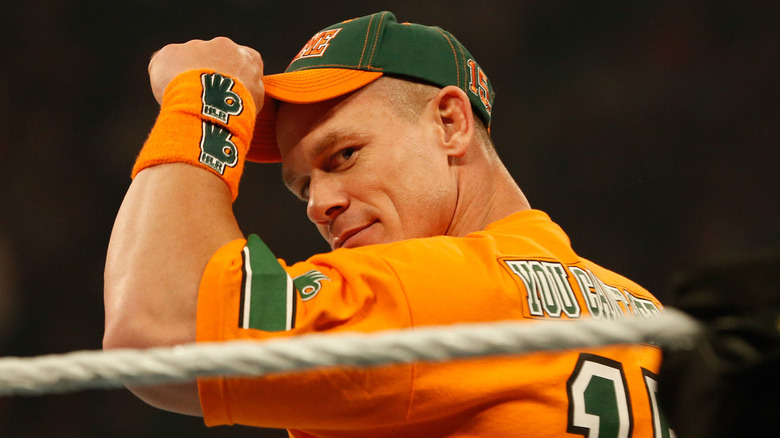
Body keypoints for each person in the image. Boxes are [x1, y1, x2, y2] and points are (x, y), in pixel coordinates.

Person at [103, 11, 668, 437]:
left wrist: (205, 101)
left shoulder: (441, 287)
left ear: (450, 123)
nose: (317, 204)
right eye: (302, 186)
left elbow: (159, 331)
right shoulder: (643, 312)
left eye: (344, 155)